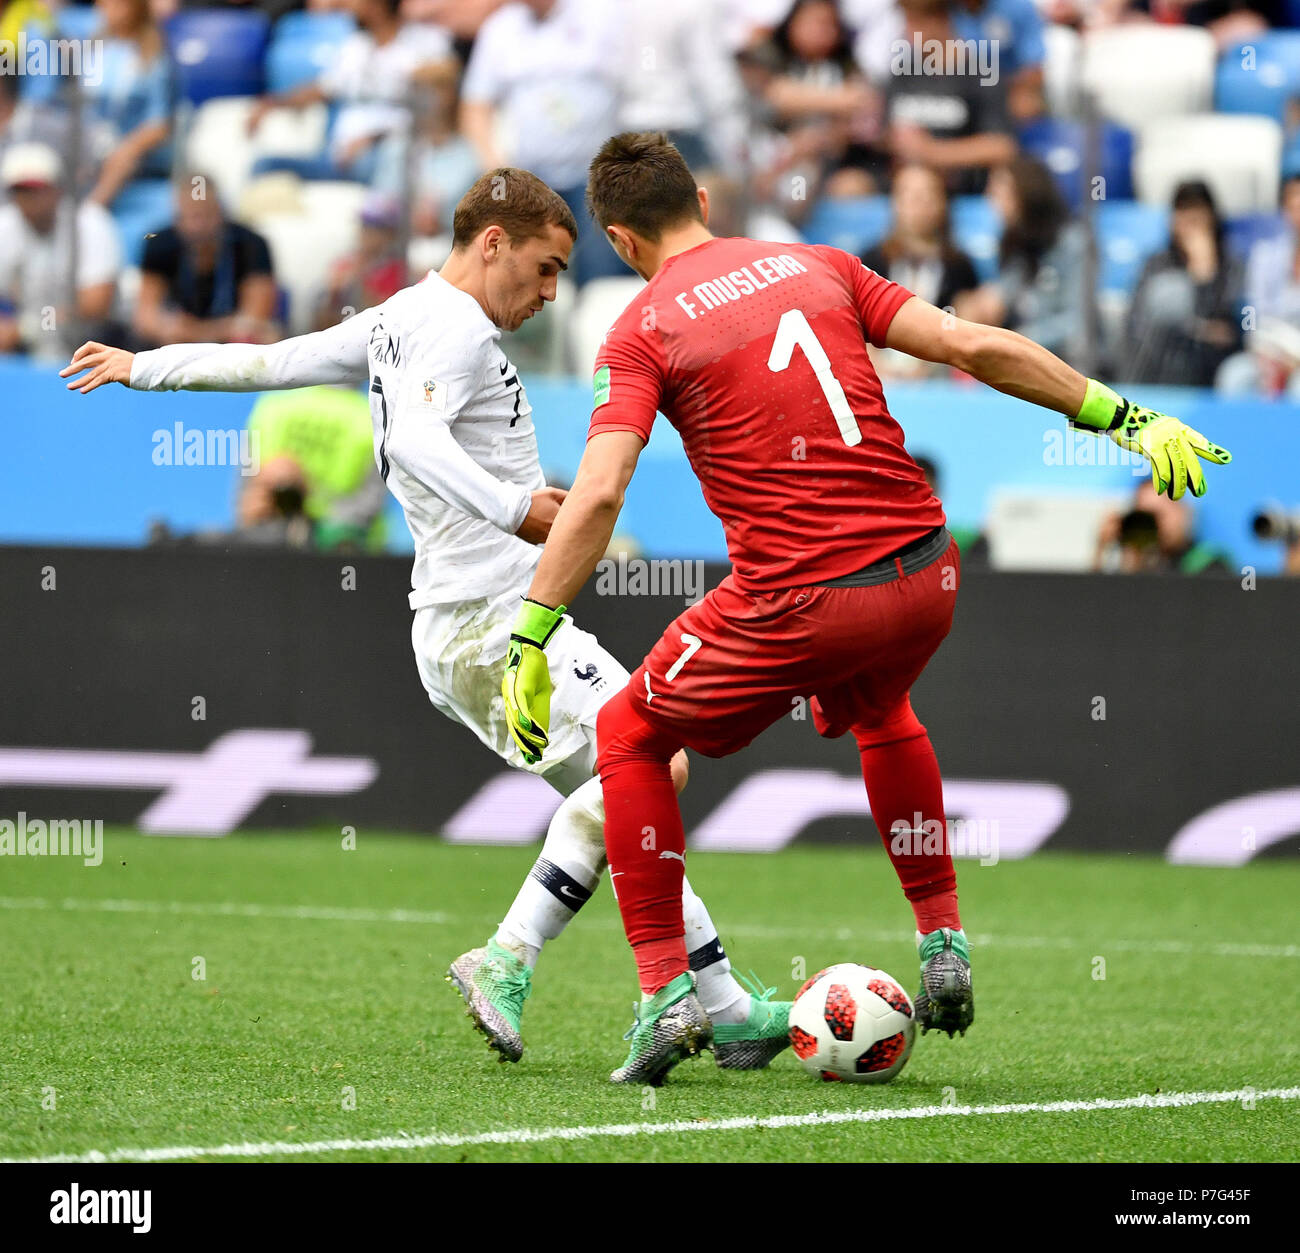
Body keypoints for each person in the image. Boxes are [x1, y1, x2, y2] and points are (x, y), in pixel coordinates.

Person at [500, 132, 1233, 1085]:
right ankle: (943, 943)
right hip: (925, 572)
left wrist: (533, 628)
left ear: (619, 240)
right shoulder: (818, 262)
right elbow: (972, 344)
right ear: (705, 204)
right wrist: (1125, 417)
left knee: (630, 730)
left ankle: (664, 996)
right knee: (883, 712)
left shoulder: (641, 329)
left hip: (804, 593)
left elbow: (597, 494)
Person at [62, 167, 791, 1072]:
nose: (552, 290)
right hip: (492, 622)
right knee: (656, 764)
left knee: (621, 796)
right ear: (494, 242)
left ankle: (718, 1004)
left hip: (457, 630)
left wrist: (147, 368)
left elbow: (273, 362)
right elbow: (410, 439)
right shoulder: (450, 327)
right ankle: (509, 956)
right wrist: (515, 506)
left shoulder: (399, 319)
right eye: (546, 266)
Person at [247, 0, 455, 183]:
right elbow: (323, 88)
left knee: (383, 161)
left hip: (389, 156)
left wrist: (373, 139)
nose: (347, 5)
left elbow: (440, 96)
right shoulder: (356, 46)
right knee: (265, 167)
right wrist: (273, 104)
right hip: (338, 158)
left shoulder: (424, 42)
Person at [960, 156, 1092, 367]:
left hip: (1071, 367)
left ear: (1027, 193)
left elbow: (1080, 323)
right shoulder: (1015, 243)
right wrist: (979, 305)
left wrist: (1019, 341)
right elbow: (1003, 296)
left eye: (999, 192)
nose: (991, 201)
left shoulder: (1074, 243)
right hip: (1024, 364)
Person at [0, 142, 121, 359]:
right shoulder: (5, 226)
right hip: (28, 348)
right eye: (21, 190)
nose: (29, 199)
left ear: (57, 189)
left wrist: (25, 328)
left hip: (98, 343)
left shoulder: (90, 223)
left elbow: (97, 304)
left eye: (36, 189)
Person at [133, 172, 280, 348]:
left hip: (233, 346)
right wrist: (170, 328)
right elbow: (145, 317)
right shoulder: (160, 244)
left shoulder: (251, 244)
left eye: (205, 215)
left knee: (265, 337)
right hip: (179, 343)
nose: (198, 226)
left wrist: (195, 331)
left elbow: (255, 317)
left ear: (220, 211)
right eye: (190, 216)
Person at [1121, 180, 1244, 387]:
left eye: (1197, 212)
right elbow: (1138, 323)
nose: (1189, 222)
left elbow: (1230, 334)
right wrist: (1199, 328)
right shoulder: (1156, 264)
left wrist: (1203, 275)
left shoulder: (1231, 267)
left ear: (1212, 217)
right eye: (1182, 211)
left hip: (1209, 366)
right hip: (1158, 362)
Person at [862, 163, 980, 379]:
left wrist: (926, 369)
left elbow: (963, 324)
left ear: (942, 203)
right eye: (910, 196)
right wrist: (879, 368)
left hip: (936, 371)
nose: (919, 205)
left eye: (928, 196)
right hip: (878, 369)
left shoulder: (959, 265)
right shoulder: (871, 260)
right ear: (895, 203)